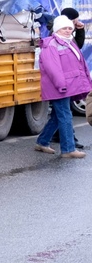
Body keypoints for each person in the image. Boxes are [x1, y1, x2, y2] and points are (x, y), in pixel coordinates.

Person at [34, 14, 91, 160]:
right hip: (59, 87)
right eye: (64, 28)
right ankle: (68, 149)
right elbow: (52, 68)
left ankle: (42, 142)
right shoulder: (51, 44)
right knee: (65, 115)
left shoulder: (69, 42)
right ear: (57, 29)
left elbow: (80, 64)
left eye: (69, 28)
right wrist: (61, 85)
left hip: (67, 86)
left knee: (57, 116)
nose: (67, 30)